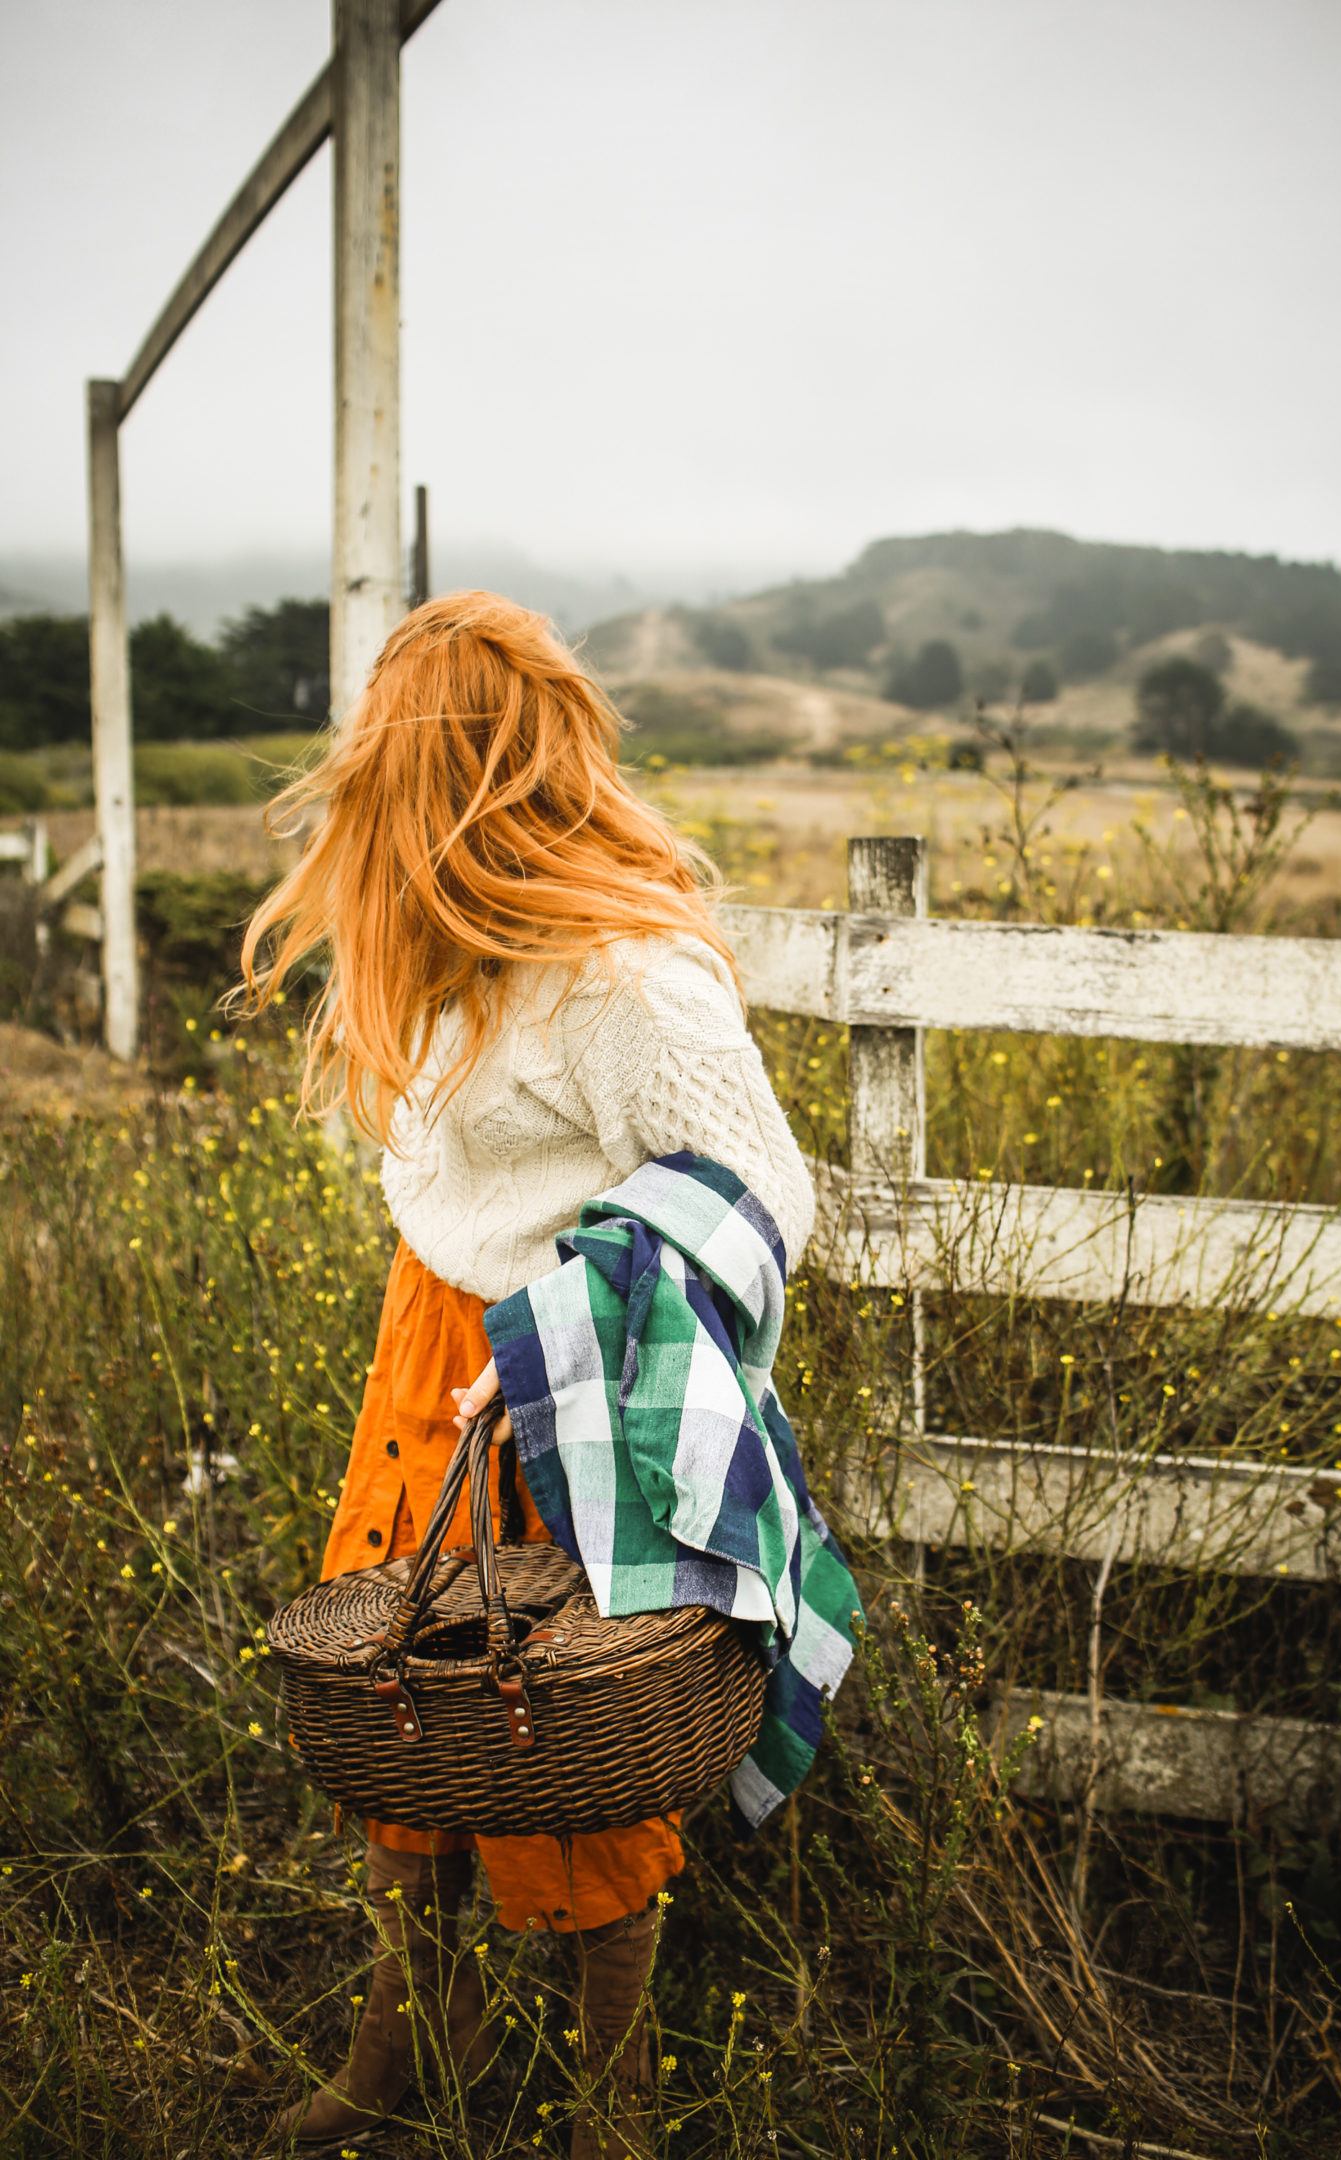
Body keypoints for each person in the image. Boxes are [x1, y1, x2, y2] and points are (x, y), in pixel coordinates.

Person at [239, 592, 816, 2154]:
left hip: (561, 1388)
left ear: (462, 775)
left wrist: (565, 1327)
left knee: (561, 1725)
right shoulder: (445, 941)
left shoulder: (623, 974)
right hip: (425, 1348)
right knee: (399, 1692)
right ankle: (407, 2044)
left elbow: (761, 1191)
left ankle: (610, 2105)